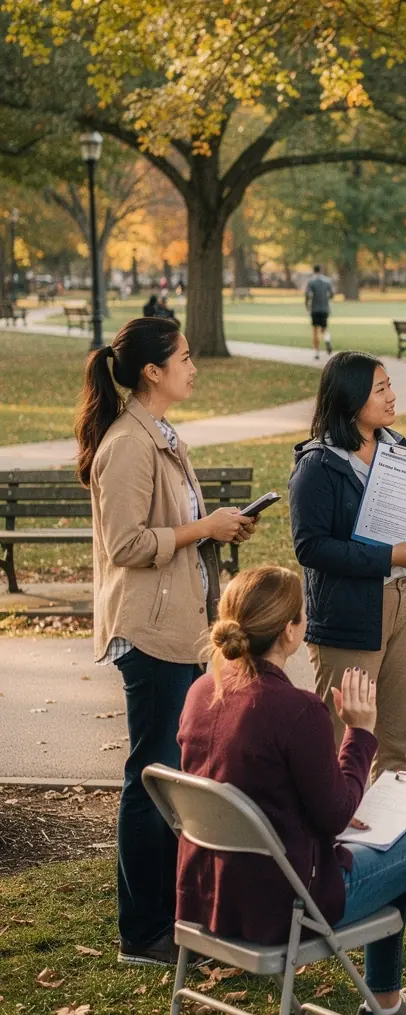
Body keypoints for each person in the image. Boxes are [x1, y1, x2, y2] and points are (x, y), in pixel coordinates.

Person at [177, 566, 406, 1015]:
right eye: (302, 614)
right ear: (290, 631)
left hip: (212, 895)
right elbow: (335, 813)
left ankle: (385, 1008)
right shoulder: (297, 709)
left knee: (387, 843)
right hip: (289, 906)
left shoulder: (201, 691)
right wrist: (360, 733)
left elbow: (252, 788)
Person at [74, 317, 257, 965]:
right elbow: (126, 544)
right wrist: (202, 528)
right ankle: (143, 931)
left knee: (172, 779)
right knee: (150, 781)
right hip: (147, 632)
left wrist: (218, 527)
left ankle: (176, 921)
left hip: (180, 629)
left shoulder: (161, 435)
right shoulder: (128, 444)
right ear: (152, 372)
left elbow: (175, 526)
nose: (193, 367)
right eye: (183, 358)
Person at [289, 351, 406, 775]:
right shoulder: (318, 465)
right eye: (380, 389)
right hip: (349, 613)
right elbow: (310, 547)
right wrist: (384, 557)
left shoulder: (403, 451)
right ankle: (333, 821)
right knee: (340, 745)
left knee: (397, 748)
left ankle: (394, 820)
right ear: (351, 398)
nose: (392, 396)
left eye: (389, 386)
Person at [306, 264, 335, 360]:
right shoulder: (327, 281)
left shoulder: (311, 282)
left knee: (315, 331)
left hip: (315, 309)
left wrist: (307, 306)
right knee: (324, 328)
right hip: (324, 308)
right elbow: (332, 294)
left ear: (313, 271)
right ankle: (327, 339)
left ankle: (316, 353)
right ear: (321, 270)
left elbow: (308, 295)